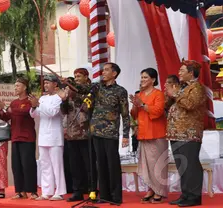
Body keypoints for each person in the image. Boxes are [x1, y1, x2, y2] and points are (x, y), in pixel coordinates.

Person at [78, 62, 130, 204]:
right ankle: (104, 195)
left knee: (112, 165)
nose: (103, 72)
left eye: (107, 70)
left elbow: (125, 114)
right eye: (103, 70)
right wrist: (66, 82)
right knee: (100, 164)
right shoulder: (96, 87)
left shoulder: (120, 91)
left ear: (114, 73)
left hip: (110, 132)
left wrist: (125, 135)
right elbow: (81, 88)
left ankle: (116, 197)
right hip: (96, 131)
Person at [166, 60, 206, 207]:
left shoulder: (197, 88)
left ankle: (194, 196)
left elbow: (190, 105)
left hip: (189, 133)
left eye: (182, 71)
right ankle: (185, 194)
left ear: (191, 73)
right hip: (176, 133)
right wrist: (170, 94)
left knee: (191, 165)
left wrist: (175, 93)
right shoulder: (183, 88)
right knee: (182, 166)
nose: (179, 73)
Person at [130, 68, 168, 203]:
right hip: (143, 133)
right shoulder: (139, 95)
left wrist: (143, 105)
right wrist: (135, 106)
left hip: (157, 133)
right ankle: (151, 189)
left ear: (153, 80)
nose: (142, 80)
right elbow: (134, 115)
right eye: (141, 77)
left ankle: (160, 191)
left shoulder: (158, 94)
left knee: (157, 164)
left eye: (145, 77)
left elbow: (158, 112)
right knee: (146, 165)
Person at [0, 78, 38, 200]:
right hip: (15, 137)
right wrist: (1, 110)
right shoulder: (13, 103)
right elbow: (7, 117)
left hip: (27, 137)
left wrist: (12, 110)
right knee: (16, 165)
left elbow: (26, 112)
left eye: (18, 86)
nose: (15, 88)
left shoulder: (30, 100)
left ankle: (33, 191)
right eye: (15, 86)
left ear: (25, 87)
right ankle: (20, 191)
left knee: (28, 165)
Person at [29, 75, 68, 201]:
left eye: (48, 83)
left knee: (57, 164)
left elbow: (52, 112)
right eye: (44, 83)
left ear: (55, 84)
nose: (45, 85)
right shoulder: (43, 98)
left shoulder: (59, 98)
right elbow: (34, 114)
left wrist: (38, 104)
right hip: (43, 135)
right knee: (45, 164)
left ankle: (60, 191)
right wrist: (34, 106)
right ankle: (47, 191)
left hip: (55, 136)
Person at [61, 68, 97, 202]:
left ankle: (92, 190)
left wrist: (75, 95)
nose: (76, 79)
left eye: (79, 76)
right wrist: (65, 100)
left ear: (86, 77)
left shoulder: (90, 90)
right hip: (72, 134)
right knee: (75, 165)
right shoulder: (69, 91)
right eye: (75, 76)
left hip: (86, 133)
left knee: (89, 165)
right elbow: (64, 112)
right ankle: (77, 191)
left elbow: (89, 107)